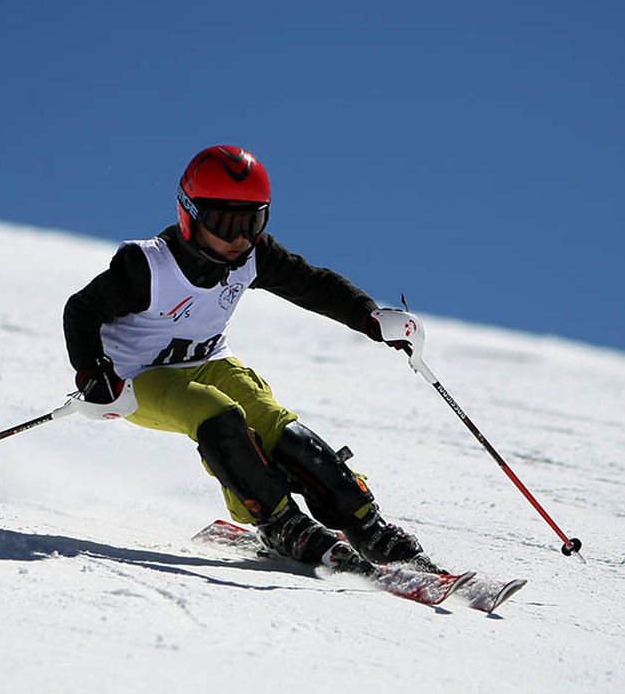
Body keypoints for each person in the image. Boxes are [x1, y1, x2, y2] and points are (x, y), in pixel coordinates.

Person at [63, 145, 426, 573]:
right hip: (137, 377)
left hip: (209, 360)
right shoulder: (148, 267)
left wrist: (369, 317)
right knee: (216, 413)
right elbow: (81, 310)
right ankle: (278, 522)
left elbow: (313, 285)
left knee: (276, 424)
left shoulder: (254, 255)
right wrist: (93, 373)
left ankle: (365, 523)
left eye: (251, 223)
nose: (239, 238)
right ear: (190, 214)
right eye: (225, 223)